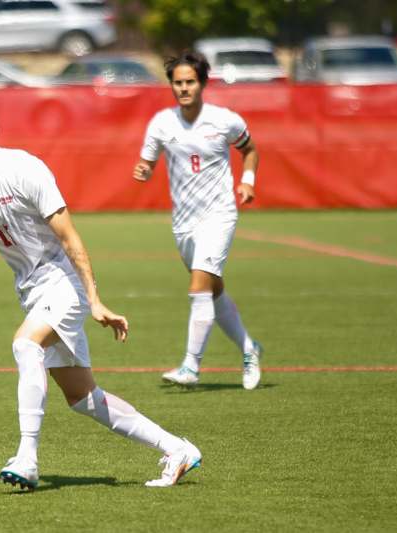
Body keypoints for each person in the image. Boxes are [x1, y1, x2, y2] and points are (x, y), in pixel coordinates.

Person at [0, 91, 201, 490]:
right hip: (32, 290)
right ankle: (177, 448)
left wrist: (93, 299)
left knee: (26, 345)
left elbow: (71, 238)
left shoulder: (25, 170)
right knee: (83, 397)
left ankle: (27, 457)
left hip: (64, 282)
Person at [132, 51, 263, 390]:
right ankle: (250, 349)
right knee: (213, 291)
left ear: (202, 83)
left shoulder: (224, 120)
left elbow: (249, 150)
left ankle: (191, 366)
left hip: (218, 215)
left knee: (199, 288)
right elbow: (146, 162)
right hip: (184, 223)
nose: (184, 88)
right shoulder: (161, 123)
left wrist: (247, 181)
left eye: (190, 81)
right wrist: (144, 170)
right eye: (178, 82)